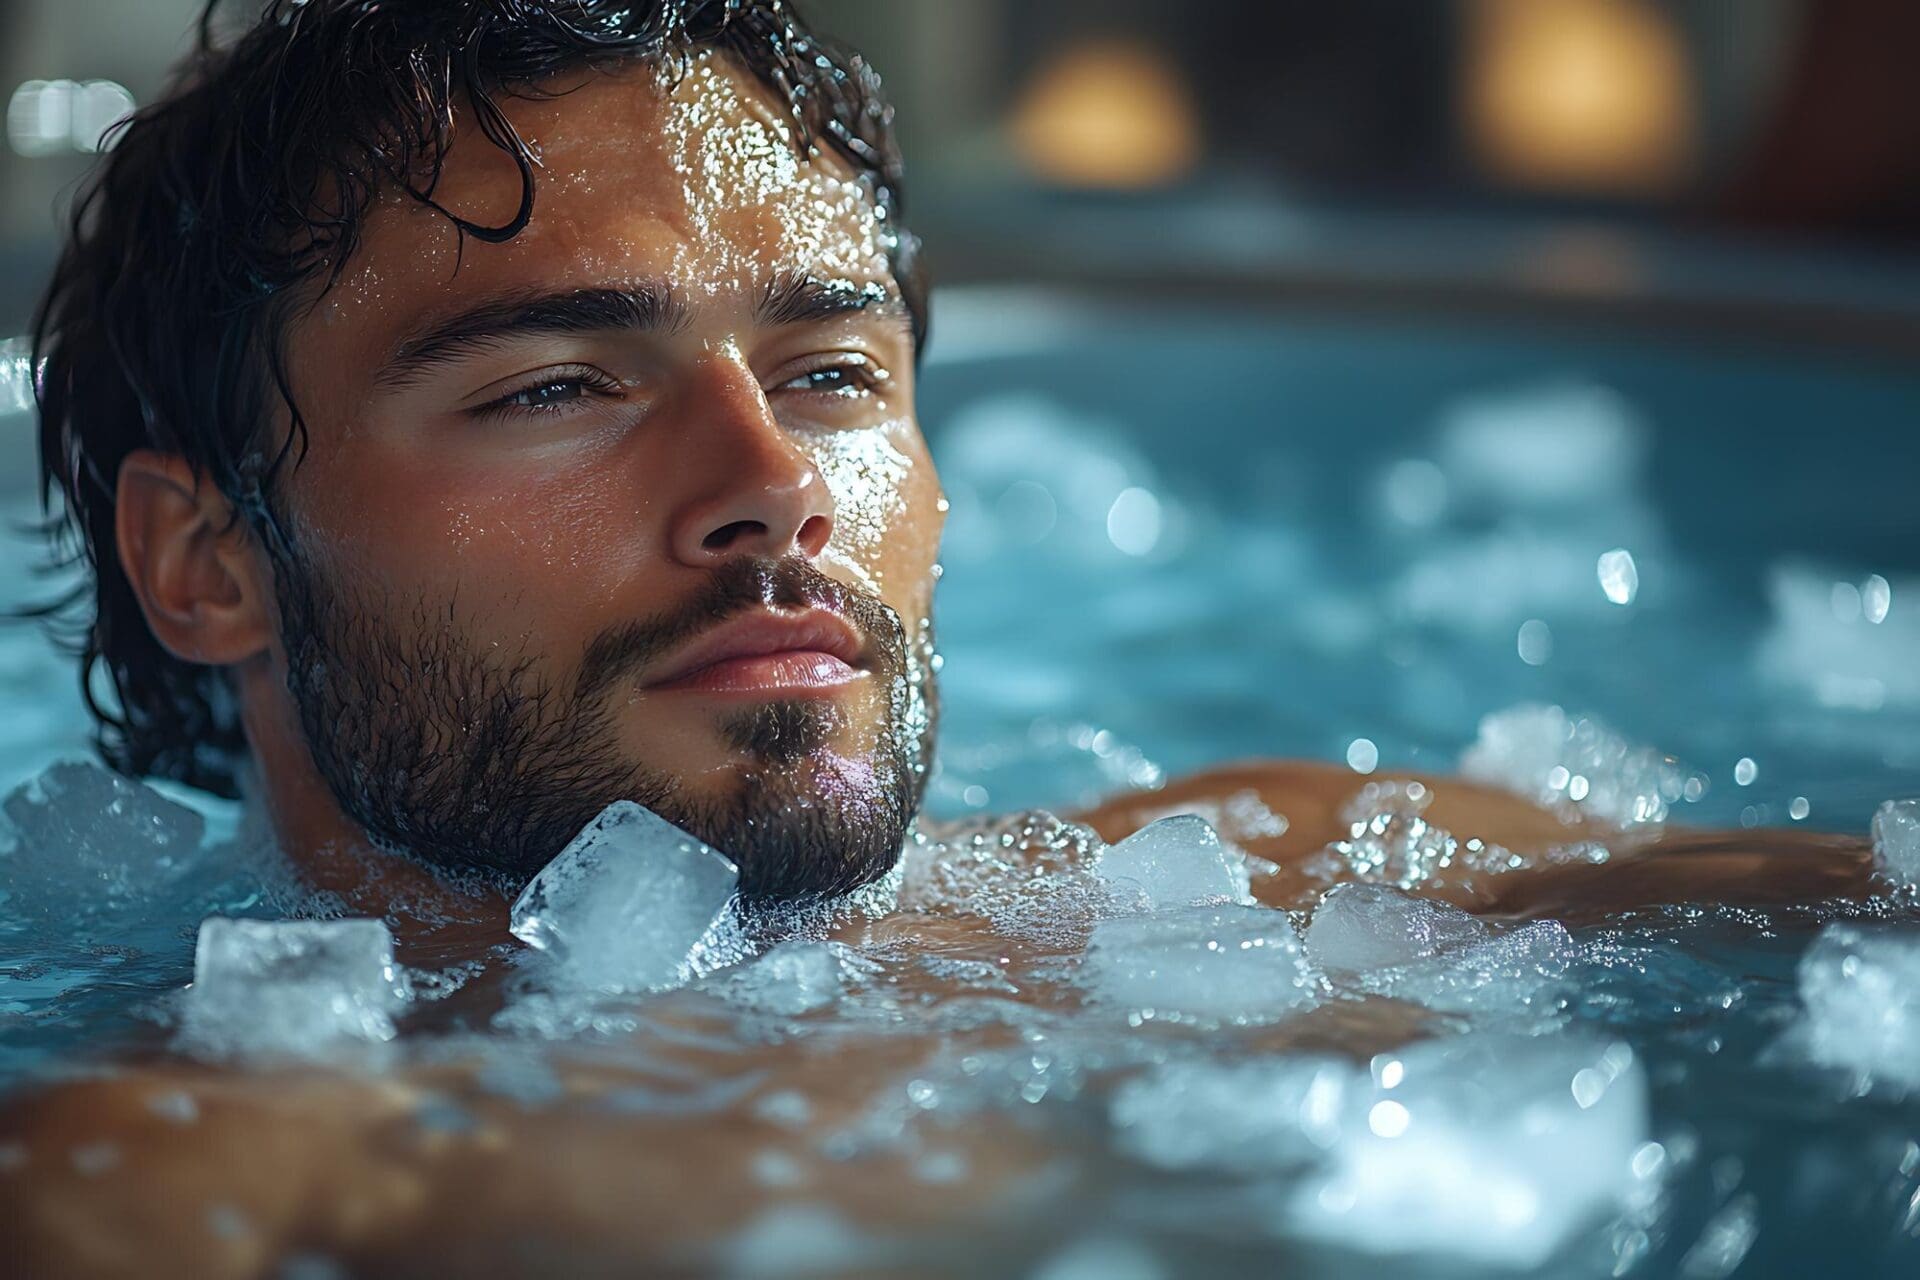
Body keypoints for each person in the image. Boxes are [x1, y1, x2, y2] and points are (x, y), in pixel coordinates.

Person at [3, 1, 1871, 1273]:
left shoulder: (1301, 886)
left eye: (829, 374)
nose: (773, 486)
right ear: (205, 562)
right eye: (558, 383)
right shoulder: (195, 1174)